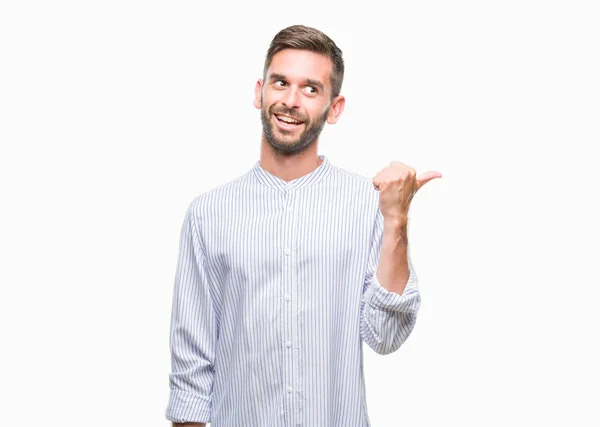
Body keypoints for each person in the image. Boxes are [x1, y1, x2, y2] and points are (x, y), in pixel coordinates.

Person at [165, 24, 441, 427]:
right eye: (281, 83)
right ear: (260, 92)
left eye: (311, 88)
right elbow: (191, 371)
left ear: (334, 108)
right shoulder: (209, 214)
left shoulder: (367, 205)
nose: (291, 101)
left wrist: (396, 219)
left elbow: (385, 335)